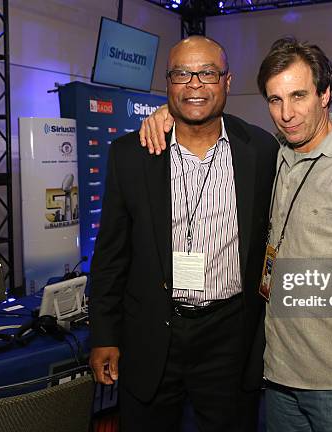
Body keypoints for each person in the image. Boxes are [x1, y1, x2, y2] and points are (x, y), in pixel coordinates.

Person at [141, 37, 332, 432]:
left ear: (326, 94)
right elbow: (212, 125)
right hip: (278, 375)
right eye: (275, 100)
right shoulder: (276, 155)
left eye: (299, 96)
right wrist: (171, 112)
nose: (287, 114)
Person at [89, 35, 279, 432]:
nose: (195, 85)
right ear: (167, 83)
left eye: (207, 73)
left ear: (227, 82)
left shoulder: (260, 150)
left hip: (230, 335)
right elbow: (111, 255)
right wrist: (103, 334)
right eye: (182, 74)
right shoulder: (131, 154)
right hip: (153, 331)